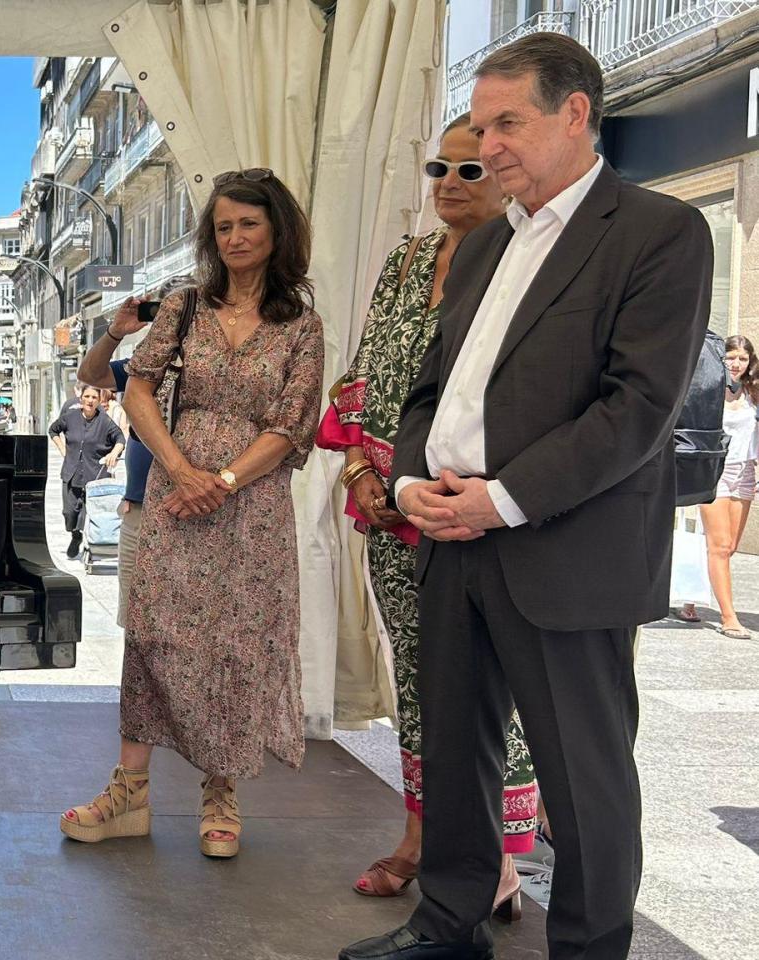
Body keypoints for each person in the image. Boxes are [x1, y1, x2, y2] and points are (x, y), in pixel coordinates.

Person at [341, 33, 713, 960]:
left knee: (582, 777)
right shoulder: (480, 248)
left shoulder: (662, 232)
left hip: (564, 547)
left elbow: (636, 408)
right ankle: (447, 925)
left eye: (508, 123)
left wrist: (498, 498)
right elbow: (434, 388)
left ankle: (590, 949)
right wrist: (414, 477)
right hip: (449, 536)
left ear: (576, 113)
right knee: (452, 756)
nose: (488, 146)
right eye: (479, 125)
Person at [61, 167, 323, 860]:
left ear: (277, 232)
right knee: (153, 633)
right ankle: (129, 793)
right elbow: (136, 387)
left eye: (249, 224)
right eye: (223, 226)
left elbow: (293, 424)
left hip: (254, 503)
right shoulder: (184, 306)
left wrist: (227, 479)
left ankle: (222, 789)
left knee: (237, 641)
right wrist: (181, 469)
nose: (234, 237)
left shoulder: (301, 325)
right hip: (175, 491)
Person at [317, 115, 540, 914]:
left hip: (482, 511)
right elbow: (368, 371)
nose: (449, 182)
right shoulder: (407, 262)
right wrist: (356, 473)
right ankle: (422, 838)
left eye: (471, 170)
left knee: (492, 688)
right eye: (440, 167)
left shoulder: (530, 261)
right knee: (419, 683)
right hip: (389, 511)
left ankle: (498, 859)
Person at [76, 304, 157, 629]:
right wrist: (115, 331)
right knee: (135, 616)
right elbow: (90, 375)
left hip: (183, 508)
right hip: (137, 508)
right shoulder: (145, 366)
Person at [680, 334, 758, 640]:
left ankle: (689, 598)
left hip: (745, 472)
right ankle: (729, 617)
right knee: (720, 546)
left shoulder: (753, 392)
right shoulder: (707, 389)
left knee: (731, 547)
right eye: (731, 357)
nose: (736, 364)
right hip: (716, 472)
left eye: (743, 358)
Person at [48, 385, 124, 559]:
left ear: (98, 401)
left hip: (95, 475)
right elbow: (53, 430)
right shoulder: (69, 417)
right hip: (71, 473)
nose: (90, 401)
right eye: (87, 396)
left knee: (90, 512)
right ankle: (75, 534)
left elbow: (120, 438)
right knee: (69, 512)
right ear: (81, 398)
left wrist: (114, 452)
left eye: (94, 398)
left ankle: (89, 541)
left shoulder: (104, 421)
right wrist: (62, 449)